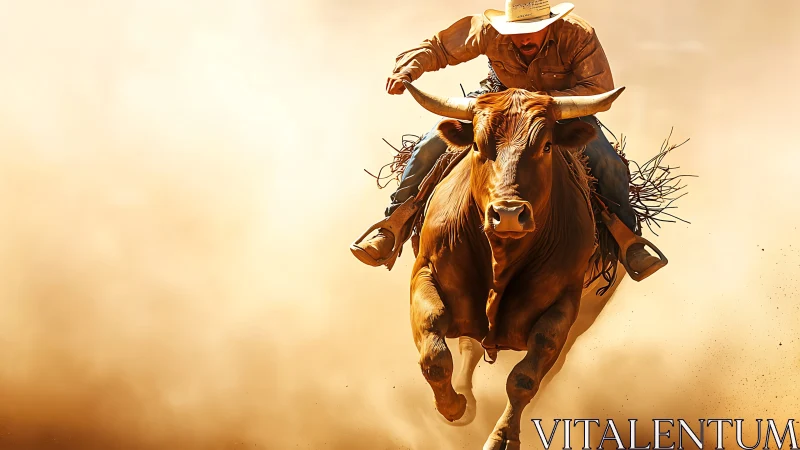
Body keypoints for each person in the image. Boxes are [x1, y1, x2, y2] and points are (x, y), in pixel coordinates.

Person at [352, 0, 664, 277]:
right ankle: (393, 225)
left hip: (555, 113)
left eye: (534, 28)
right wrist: (408, 68)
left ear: (550, 24)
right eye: (516, 29)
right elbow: (440, 47)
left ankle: (626, 238)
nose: (524, 37)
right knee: (430, 144)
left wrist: (538, 103)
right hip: (496, 103)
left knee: (606, 161)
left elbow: (597, 90)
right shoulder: (486, 30)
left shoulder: (578, 34)